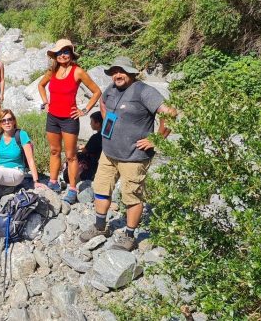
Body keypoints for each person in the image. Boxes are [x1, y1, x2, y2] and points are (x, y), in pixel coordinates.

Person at [79, 56, 177, 251]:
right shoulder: (112, 90)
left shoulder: (144, 91)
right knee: (101, 188)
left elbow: (170, 113)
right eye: (114, 71)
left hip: (134, 157)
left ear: (132, 73)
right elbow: (104, 103)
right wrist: (108, 123)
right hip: (109, 153)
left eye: (121, 71)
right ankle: (100, 226)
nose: (117, 75)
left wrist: (155, 139)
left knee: (131, 196)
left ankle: (130, 235)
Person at [37, 38, 102, 204]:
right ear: (55, 56)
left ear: (71, 54)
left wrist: (85, 110)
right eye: (59, 52)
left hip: (69, 119)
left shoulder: (77, 71)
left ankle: (72, 189)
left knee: (71, 155)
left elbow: (96, 91)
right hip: (52, 117)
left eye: (66, 52)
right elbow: (41, 85)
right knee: (54, 150)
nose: (62, 55)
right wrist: (45, 103)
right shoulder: (52, 71)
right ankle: (53, 183)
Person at [63, 112, 103, 182]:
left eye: (92, 121)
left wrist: (77, 148)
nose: (90, 124)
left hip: (91, 165)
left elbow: (85, 150)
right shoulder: (104, 136)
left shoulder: (95, 137)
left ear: (98, 123)